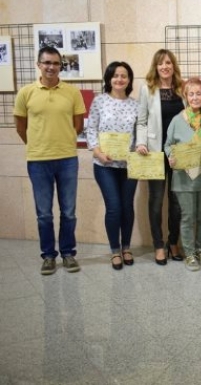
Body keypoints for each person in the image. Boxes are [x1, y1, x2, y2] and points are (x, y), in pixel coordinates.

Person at [13, 46, 86, 275]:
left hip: (67, 160)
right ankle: (48, 256)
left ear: (60, 66)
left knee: (69, 212)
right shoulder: (26, 93)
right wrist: (38, 145)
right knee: (44, 213)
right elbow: (20, 127)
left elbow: (78, 124)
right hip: (38, 161)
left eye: (55, 63)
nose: (51, 67)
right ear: (39, 65)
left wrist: (62, 142)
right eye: (47, 63)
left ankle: (67, 254)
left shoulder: (72, 93)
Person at [86, 62, 139, 270]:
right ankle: (114, 250)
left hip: (129, 165)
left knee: (127, 207)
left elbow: (140, 133)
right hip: (104, 165)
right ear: (109, 79)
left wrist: (140, 148)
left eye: (124, 76)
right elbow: (91, 130)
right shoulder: (99, 102)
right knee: (114, 207)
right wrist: (99, 152)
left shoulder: (135, 105)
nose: (119, 79)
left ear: (129, 79)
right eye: (115, 75)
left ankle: (126, 247)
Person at [136, 49, 185, 265]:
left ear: (173, 65)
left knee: (176, 202)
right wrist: (141, 142)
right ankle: (158, 244)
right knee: (156, 201)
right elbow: (142, 121)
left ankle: (173, 242)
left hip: (178, 153)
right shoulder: (147, 89)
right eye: (160, 63)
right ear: (155, 67)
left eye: (168, 62)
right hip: (154, 152)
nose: (164, 66)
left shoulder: (182, 89)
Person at [164, 77, 201, 271]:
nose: (195, 97)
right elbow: (168, 145)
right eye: (191, 94)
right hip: (183, 178)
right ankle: (190, 254)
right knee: (187, 216)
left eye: (199, 93)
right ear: (185, 96)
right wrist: (171, 156)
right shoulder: (177, 120)